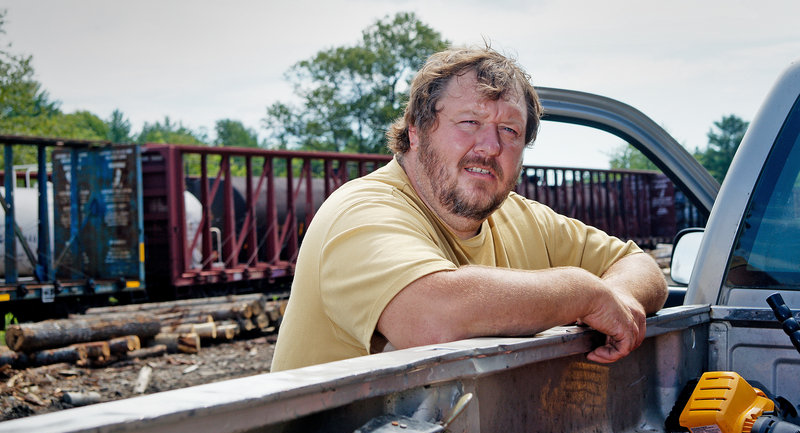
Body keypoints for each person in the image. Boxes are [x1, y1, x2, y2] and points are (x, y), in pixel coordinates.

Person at [271, 46, 668, 372]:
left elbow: (638, 265)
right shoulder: (361, 211)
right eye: (470, 122)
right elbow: (432, 316)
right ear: (415, 130)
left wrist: (617, 298)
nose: (490, 146)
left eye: (509, 131)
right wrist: (584, 294)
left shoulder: (520, 217)